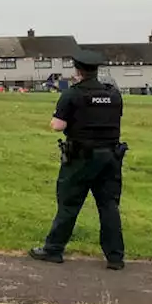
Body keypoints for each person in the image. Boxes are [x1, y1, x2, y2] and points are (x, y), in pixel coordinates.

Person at [30, 49, 127, 270]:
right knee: (109, 206)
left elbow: (57, 126)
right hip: (111, 157)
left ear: (78, 69)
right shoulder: (113, 94)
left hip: (81, 158)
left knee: (69, 204)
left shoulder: (73, 94)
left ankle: (53, 249)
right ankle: (115, 257)